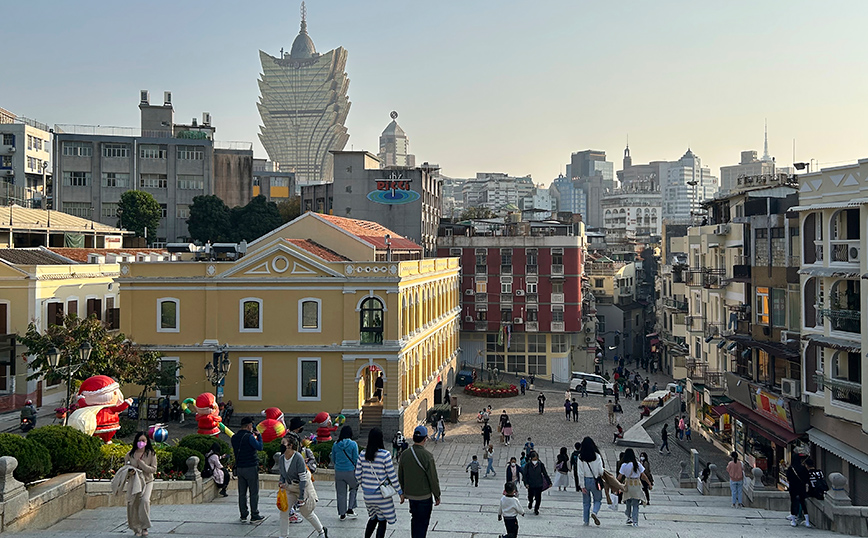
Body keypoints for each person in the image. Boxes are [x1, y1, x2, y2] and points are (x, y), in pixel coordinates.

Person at [278, 433, 328, 538]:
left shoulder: (298, 458)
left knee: (306, 513)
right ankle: (283, 536)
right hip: (290, 487)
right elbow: (282, 474)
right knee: (284, 511)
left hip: (304, 486)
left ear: (290, 446)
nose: (281, 445)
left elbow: (303, 479)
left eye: (283, 443)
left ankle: (321, 531)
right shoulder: (281, 458)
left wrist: (301, 497)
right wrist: (281, 482)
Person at [356, 428, 402, 538]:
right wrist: (400, 492)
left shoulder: (363, 454)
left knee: (373, 518)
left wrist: (366, 485)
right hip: (381, 495)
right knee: (382, 520)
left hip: (367, 495)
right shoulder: (385, 455)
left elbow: (357, 475)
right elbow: (392, 476)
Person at [398, 425, 441, 538]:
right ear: (425, 438)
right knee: (423, 523)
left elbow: (400, 475)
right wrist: (437, 495)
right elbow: (433, 478)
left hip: (411, 495)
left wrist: (402, 491)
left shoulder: (404, 454)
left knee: (415, 520)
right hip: (424, 496)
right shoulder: (428, 456)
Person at [124, 431, 157, 536]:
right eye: (139, 441)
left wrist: (142, 464)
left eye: (143, 440)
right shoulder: (130, 455)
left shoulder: (151, 454)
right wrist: (130, 472)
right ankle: (136, 527)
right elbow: (125, 469)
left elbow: (153, 469)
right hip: (135, 483)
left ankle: (145, 526)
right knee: (133, 504)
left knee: (145, 501)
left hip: (147, 481)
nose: (141, 443)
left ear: (147, 441)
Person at [232, 416, 264, 523]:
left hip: (240, 468)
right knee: (253, 492)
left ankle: (243, 514)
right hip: (250, 467)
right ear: (249, 426)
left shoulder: (234, 437)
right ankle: (254, 514)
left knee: (242, 493)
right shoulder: (249, 437)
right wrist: (259, 436)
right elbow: (259, 447)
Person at [331, 425, 360, 521]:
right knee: (354, 487)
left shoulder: (335, 444)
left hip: (339, 471)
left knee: (341, 493)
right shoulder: (353, 444)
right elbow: (356, 458)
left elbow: (333, 458)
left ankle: (342, 514)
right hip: (350, 471)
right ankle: (350, 508)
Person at [617, 448, 652, 527]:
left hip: (628, 485)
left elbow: (619, 477)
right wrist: (649, 483)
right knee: (635, 504)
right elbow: (643, 475)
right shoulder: (637, 464)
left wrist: (615, 485)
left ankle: (629, 516)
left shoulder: (624, 465)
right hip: (636, 485)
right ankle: (635, 521)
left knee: (628, 502)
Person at [576, 437, 605, 526]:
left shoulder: (580, 457)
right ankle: (595, 512)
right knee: (598, 499)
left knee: (586, 502)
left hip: (585, 480)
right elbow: (600, 471)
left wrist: (582, 485)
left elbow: (580, 472)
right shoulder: (597, 456)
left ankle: (586, 521)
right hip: (595, 481)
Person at [522, 451, 549, 516]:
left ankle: (536, 509)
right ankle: (530, 502)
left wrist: (549, 481)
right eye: (533, 459)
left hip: (539, 483)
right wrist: (526, 483)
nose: (535, 461)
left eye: (536, 459)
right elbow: (525, 475)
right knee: (530, 496)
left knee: (538, 497)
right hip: (531, 484)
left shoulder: (540, 465)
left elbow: (545, 473)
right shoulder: (528, 465)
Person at [786, 454, 810, 527]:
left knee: (793, 503)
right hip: (801, 487)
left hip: (793, 487)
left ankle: (793, 521)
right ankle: (807, 521)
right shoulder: (803, 468)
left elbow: (788, 478)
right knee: (803, 503)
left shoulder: (791, 468)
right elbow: (807, 478)